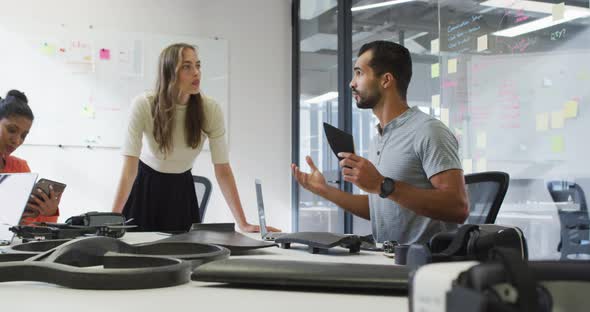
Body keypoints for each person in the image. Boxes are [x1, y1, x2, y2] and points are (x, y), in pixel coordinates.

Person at [291, 41, 468, 244]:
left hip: (420, 265)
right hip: (385, 259)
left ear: (386, 80)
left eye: (359, 73)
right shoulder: (379, 138)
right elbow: (383, 208)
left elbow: (458, 207)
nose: (352, 83)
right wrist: (325, 191)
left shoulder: (428, 131)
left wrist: (382, 185)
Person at [112, 43, 278, 233]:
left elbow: (222, 169)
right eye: (187, 66)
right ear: (169, 73)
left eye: (198, 65)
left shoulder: (210, 110)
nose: (196, 73)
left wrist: (243, 223)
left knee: (185, 255)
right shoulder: (143, 104)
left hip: (181, 191)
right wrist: (111, 221)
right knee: (136, 255)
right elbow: (129, 170)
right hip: (144, 187)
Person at [0, 90, 62, 224]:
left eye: (23, 135)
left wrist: (48, 212)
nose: (17, 141)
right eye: (11, 130)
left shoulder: (19, 168)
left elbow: (32, 228)